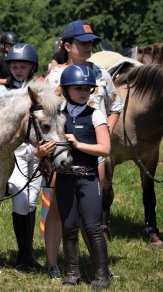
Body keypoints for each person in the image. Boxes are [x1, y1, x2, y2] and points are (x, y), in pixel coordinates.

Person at [43, 20, 122, 280]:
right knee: (58, 211)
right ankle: (56, 266)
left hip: (93, 155)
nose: (89, 47)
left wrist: (102, 133)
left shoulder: (102, 73)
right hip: (61, 155)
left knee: (90, 214)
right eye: (83, 43)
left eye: (91, 43)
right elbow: (43, 115)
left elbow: (115, 108)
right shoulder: (54, 77)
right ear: (67, 46)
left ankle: (100, 267)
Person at [0, 43, 54, 273]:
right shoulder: (0, 92)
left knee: (31, 201)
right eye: (15, 66)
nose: (18, 70)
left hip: (38, 151)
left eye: (23, 66)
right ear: (9, 67)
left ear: (32, 67)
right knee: (21, 198)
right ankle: (24, 258)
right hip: (14, 153)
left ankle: (26, 255)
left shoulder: (41, 91)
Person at [38, 64, 111, 288]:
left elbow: (105, 149)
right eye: (78, 88)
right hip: (65, 178)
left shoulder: (95, 115)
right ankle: (72, 273)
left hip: (88, 178)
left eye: (88, 89)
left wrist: (78, 144)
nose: (84, 92)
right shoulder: (57, 115)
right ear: (67, 90)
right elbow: (42, 143)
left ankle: (101, 274)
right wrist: (39, 152)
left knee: (92, 226)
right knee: (69, 227)